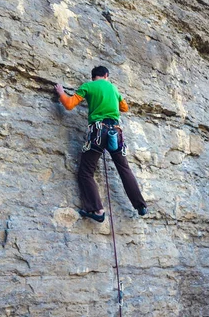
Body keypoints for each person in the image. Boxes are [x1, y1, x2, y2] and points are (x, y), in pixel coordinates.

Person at [55, 66, 148, 222]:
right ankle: (140, 205)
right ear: (106, 75)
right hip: (115, 133)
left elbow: (69, 105)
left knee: (86, 171)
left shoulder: (88, 86)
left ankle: (97, 210)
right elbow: (124, 108)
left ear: (94, 77)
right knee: (124, 168)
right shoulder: (113, 88)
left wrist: (61, 93)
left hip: (98, 132)